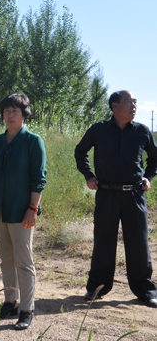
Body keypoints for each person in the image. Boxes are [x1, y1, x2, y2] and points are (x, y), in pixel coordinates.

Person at [74, 90, 157, 308]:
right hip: (107, 194)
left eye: (136, 102)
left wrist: (148, 178)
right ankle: (96, 288)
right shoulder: (99, 130)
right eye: (129, 101)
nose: (134, 105)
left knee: (139, 243)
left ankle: (145, 290)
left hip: (135, 195)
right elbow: (80, 151)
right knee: (103, 241)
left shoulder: (142, 131)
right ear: (114, 106)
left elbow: (154, 159)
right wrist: (89, 176)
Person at [0, 93, 46, 330]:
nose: (9, 115)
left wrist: (32, 208)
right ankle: (10, 302)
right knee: (6, 258)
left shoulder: (33, 141)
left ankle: (27, 309)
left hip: (21, 211)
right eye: (6, 111)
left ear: (24, 114)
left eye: (14, 111)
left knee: (23, 261)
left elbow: (39, 179)